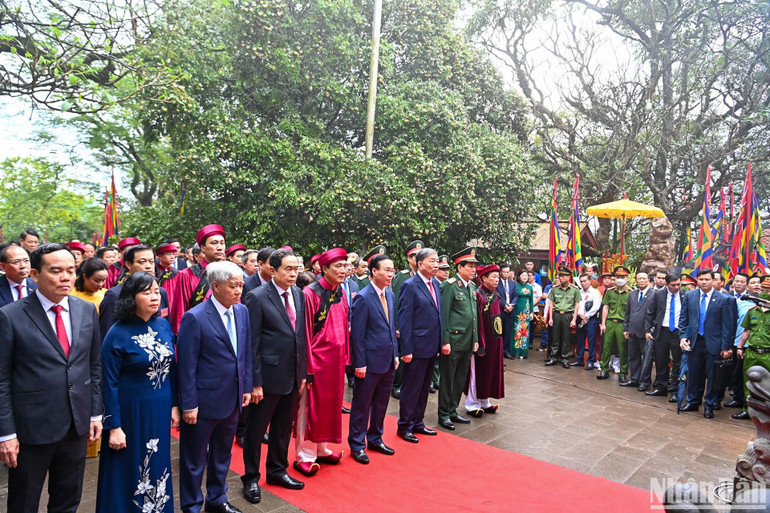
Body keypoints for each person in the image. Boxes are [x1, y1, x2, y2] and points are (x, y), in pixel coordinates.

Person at [0, 243, 103, 513]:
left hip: (76, 423)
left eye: (71, 270)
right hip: (31, 427)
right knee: (24, 501)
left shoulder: (86, 310)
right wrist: (6, 433)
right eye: (56, 271)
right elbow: (1, 379)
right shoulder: (10, 316)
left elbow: (93, 366)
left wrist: (94, 413)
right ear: (34, 274)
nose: (65, 277)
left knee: (68, 500)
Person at [96, 272, 179, 513]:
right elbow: (107, 382)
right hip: (130, 412)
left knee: (158, 462)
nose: (155, 297)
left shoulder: (163, 325)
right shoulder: (117, 333)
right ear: (131, 298)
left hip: (159, 409)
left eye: (156, 291)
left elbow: (171, 369)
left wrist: (174, 405)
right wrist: (114, 426)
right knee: (128, 466)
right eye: (146, 292)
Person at [177, 261, 252, 513]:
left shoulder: (242, 312)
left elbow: (245, 353)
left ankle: (217, 499)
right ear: (216, 285)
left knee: (222, 455)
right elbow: (186, 366)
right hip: (203, 402)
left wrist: (247, 386)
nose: (239, 290)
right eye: (234, 286)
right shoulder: (194, 317)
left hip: (232, 398)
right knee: (194, 460)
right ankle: (191, 505)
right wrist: (189, 404)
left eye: (241, 285)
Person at [241, 249, 307, 503]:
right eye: (288, 269)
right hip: (267, 377)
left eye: (296, 269)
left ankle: (277, 470)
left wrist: (302, 372)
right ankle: (250, 478)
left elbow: (299, 336)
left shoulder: (299, 295)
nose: (293, 274)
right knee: (256, 431)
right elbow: (252, 343)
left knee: (282, 427)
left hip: (292, 374)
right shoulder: (257, 297)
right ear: (273, 270)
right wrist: (255, 382)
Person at [294, 248, 350, 476]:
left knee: (330, 407)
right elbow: (304, 332)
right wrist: (306, 368)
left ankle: (322, 448)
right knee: (310, 409)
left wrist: (346, 356)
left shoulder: (341, 292)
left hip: (335, 361)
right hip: (316, 362)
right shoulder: (310, 293)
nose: (344, 270)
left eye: (346, 266)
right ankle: (304, 455)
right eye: (338, 266)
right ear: (323, 268)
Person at [348, 252, 399, 464]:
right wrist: (359, 363)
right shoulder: (363, 297)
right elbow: (357, 335)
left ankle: (376, 438)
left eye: (392, 270)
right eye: (386, 270)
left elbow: (391, 328)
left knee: (381, 403)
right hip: (368, 363)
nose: (390, 274)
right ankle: (357, 443)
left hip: (387, 360)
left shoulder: (391, 295)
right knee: (362, 404)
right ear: (374, 271)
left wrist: (395, 353)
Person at [396, 248, 442, 443]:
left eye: (437, 261)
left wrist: (439, 344)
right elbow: (405, 319)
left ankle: (418, 422)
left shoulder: (436, 284)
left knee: (424, 388)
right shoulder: (410, 285)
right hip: (415, 348)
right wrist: (406, 349)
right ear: (420, 263)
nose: (436, 264)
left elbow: (438, 316)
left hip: (431, 347)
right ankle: (404, 425)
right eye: (432, 261)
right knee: (411, 388)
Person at [679, 270, 737, 419]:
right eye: (701, 279)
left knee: (712, 376)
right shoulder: (690, 296)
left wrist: (726, 347)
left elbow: (728, 326)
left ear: (713, 281)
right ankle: (692, 401)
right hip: (695, 341)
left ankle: (709, 405)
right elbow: (684, 319)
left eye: (707, 279)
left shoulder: (724, 299)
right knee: (693, 373)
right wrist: (683, 337)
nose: (703, 282)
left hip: (714, 343)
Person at [437, 247, 479, 429]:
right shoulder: (450, 285)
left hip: (467, 341)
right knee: (448, 378)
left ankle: (453, 410)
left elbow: (473, 316)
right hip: (453, 342)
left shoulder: (471, 287)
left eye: (474, 267)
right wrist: (444, 341)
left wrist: (475, 339)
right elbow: (443, 316)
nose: (473, 270)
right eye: (469, 266)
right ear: (459, 267)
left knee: (460, 378)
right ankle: (444, 413)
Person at [100, 244, 171, 339]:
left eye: (151, 261)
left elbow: (166, 328)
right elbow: (106, 334)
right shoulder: (114, 295)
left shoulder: (161, 292)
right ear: (128, 264)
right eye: (142, 262)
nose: (148, 266)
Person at [167, 225, 227, 334]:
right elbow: (180, 313)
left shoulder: (231, 273)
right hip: (199, 334)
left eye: (222, 243)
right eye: (214, 243)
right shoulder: (187, 275)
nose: (219, 247)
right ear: (203, 248)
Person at [465, 264, 505, 415]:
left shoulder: (494, 294)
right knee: (477, 372)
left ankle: (484, 401)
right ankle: (472, 404)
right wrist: (480, 343)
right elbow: (477, 321)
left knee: (490, 372)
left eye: (498, 277)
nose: (497, 280)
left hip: (495, 339)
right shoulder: (478, 295)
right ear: (483, 278)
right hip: (483, 340)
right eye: (493, 277)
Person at [390, 240, 424, 400]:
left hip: (417, 326)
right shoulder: (403, 277)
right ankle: (396, 385)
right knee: (404, 354)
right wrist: (397, 326)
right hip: (404, 325)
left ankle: (408, 384)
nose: (417, 259)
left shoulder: (422, 277)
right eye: (414, 256)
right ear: (409, 259)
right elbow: (397, 303)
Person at [644, 273, 684, 400]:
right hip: (662, 331)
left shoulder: (685, 295)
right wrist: (648, 330)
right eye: (673, 285)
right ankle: (661, 387)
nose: (677, 287)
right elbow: (650, 313)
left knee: (677, 362)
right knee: (661, 360)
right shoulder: (658, 295)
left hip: (678, 332)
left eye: (679, 284)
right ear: (667, 285)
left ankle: (675, 390)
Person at [734, 277, 770, 420]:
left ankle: (766, 412)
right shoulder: (752, 311)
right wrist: (740, 347)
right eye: (764, 290)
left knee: (767, 383)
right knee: (748, 381)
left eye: (769, 290)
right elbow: (746, 331)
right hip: (752, 352)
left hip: (768, 354)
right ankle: (747, 409)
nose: (766, 293)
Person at [597, 266, 631, 380]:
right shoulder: (610, 292)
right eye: (618, 277)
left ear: (627, 278)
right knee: (606, 347)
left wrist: (628, 327)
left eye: (622, 277)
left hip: (622, 324)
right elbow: (605, 307)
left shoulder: (631, 293)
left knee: (623, 349)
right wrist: (603, 323)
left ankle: (623, 373)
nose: (620, 279)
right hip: (610, 322)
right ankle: (604, 370)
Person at [546, 265, 581, 369]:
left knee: (566, 338)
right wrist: (551, 318)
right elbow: (551, 304)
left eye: (563, 276)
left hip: (568, 315)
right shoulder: (554, 289)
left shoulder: (575, 290)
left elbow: (576, 305)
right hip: (556, 314)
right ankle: (553, 357)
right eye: (560, 276)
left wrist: (574, 319)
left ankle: (564, 359)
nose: (560, 278)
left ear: (568, 277)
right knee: (555, 337)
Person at [623, 271, 653, 390]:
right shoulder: (632, 294)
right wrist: (626, 328)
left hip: (645, 332)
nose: (641, 280)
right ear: (635, 280)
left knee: (646, 358)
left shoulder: (654, 294)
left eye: (644, 278)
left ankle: (645, 381)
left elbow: (654, 314)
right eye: (639, 278)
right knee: (633, 356)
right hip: (632, 330)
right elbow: (628, 313)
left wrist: (650, 330)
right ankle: (634, 379)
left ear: (648, 280)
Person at [572, 273, 602, 369]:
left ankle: (591, 361)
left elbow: (596, 306)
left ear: (590, 281)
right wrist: (580, 315)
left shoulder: (595, 293)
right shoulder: (579, 292)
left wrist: (587, 316)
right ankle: (579, 359)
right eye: (581, 281)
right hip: (580, 318)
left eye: (585, 281)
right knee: (580, 340)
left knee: (591, 340)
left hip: (591, 318)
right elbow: (576, 305)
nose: (583, 283)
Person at [0, 243, 37, 307]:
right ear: (3, 267)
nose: (23, 266)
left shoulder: (38, 285)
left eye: (26, 260)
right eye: (16, 262)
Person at [512, 269, 534, 359]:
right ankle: (515, 351)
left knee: (525, 331)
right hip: (517, 311)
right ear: (519, 277)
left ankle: (523, 352)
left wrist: (531, 312)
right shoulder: (515, 286)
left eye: (526, 275)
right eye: (523, 275)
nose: (525, 277)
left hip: (526, 312)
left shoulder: (530, 287)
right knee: (517, 330)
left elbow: (531, 300)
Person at [497, 263, 517, 359]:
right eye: (504, 272)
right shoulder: (497, 283)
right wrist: (505, 305)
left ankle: (506, 351)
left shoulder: (512, 283)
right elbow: (496, 296)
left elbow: (516, 295)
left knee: (508, 332)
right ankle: (499, 352)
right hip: (501, 310)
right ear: (500, 272)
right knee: (499, 332)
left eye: (507, 272)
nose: (506, 274)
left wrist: (511, 306)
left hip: (510, 311)